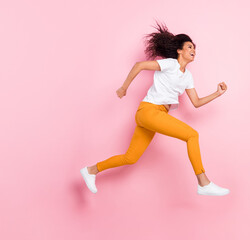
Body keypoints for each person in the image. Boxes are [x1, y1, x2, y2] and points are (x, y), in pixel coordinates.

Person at [80, 21, 230, 196]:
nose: (193, 51)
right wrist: (124, 87)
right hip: (149, 111)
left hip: (152, 116)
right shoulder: (170, 64)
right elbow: (139, 65)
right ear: (179, 51)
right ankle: (203, 182)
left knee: (130, 158)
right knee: (192, 135)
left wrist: (217, 94)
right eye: (189, 47)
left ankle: (91, 170)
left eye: (195, 49)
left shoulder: (188, 76)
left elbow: (196, 102)